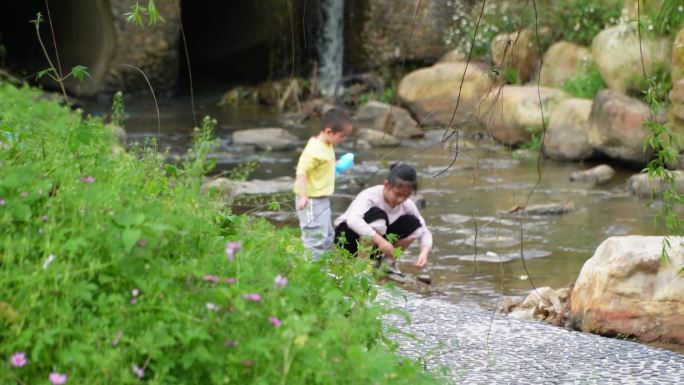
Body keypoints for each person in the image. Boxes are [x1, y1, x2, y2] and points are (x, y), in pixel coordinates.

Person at [334, 163, 432, 271]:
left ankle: (387, 264)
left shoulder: (407, 204)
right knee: (378, 216)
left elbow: (423, 230)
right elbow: (353, 221)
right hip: (348, 239)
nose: (401, 199)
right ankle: (361, 266)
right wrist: (381, 241)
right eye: (398, 194)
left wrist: (424, 252)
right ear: (386, 185)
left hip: (378, 245)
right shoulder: (370, 196)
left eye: (406, 196)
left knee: (413, 223)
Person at [294, 108, 353, 260]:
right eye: (342, 136)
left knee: (328, 235)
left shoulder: (326, 145)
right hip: (311, 200)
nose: (343, 140)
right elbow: (302, 171)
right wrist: (303, 196)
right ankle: (309, 271)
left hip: (322, 199)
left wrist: (339, 166)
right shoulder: (314, 150)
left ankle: (322, 269)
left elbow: (322, 167)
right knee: (315, 238)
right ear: (329, 131)